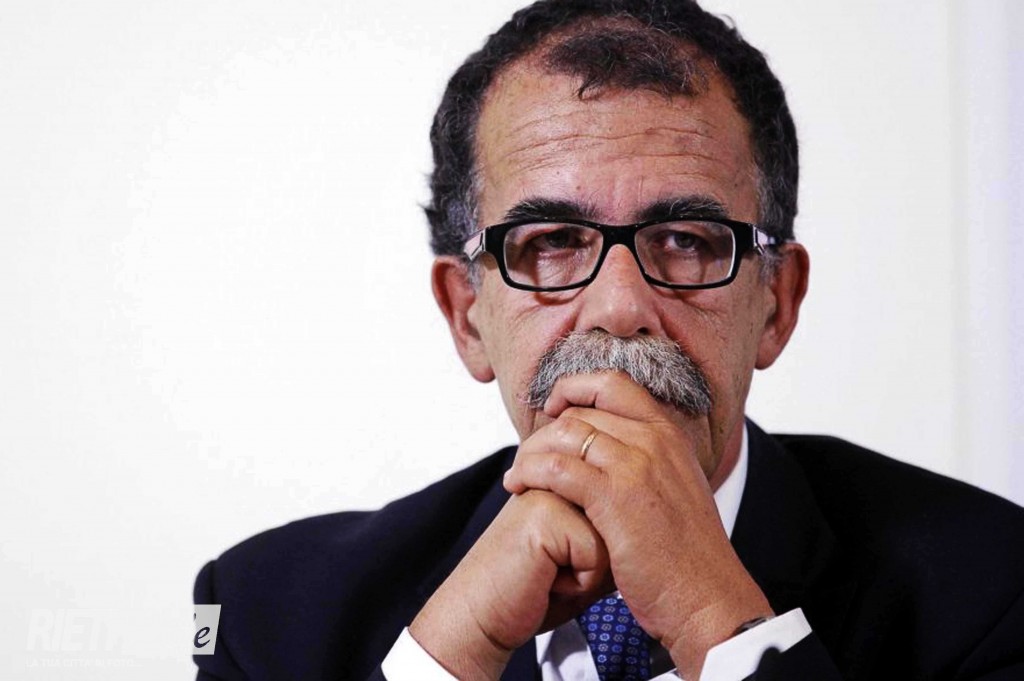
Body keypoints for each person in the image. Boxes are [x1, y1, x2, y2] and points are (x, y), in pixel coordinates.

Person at [193, 1, 1024, 679]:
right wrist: (451, 657)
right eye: (552, 242)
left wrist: (714, 620)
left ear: (776, 303)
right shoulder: (267, 615)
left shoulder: (995, 587)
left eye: (688, 240)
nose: (620, 307)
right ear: (466, 314)